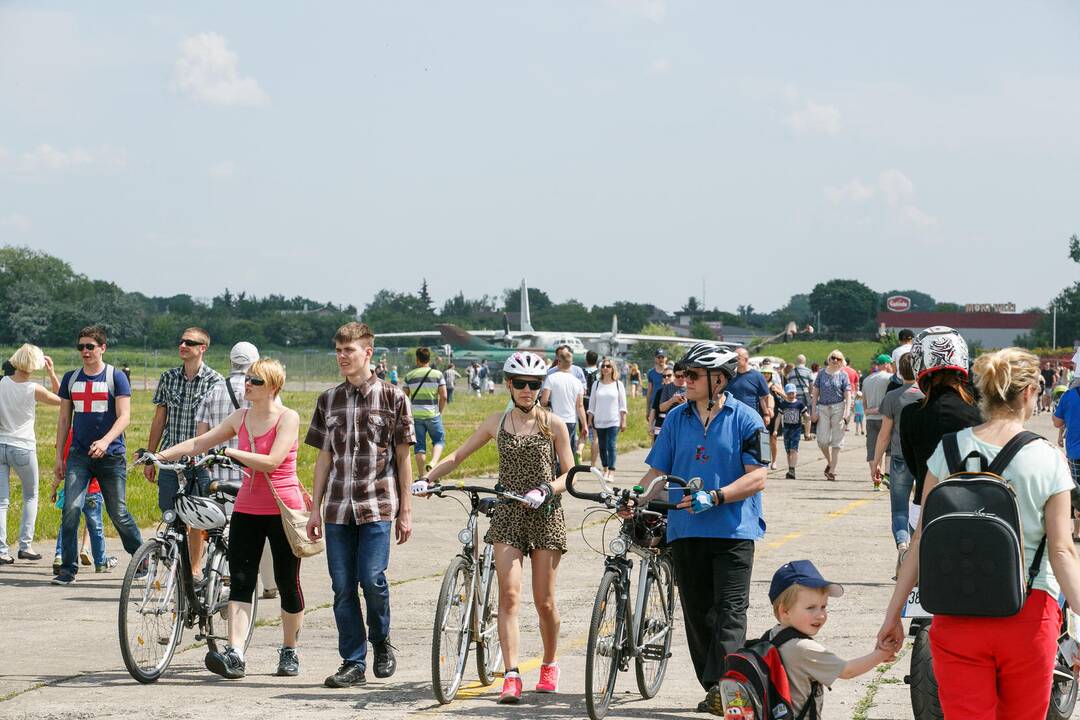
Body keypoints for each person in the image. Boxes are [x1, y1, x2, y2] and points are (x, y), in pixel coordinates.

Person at [878, 347, 1080, 719]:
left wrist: (892, 615)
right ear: (1028, 393)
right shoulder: (1048, 457)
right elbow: (1063, 551)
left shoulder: (948, 450)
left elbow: (921, 540)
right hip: (1029, 612)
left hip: (957, 612)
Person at [413, 352, 575, 703]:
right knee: (509, 595)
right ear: (508, 385)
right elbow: (458, 456)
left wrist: (547, 488)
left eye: (534, 385)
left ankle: (549, 663)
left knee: (544, 601)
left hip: (545, 515)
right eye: (520, 384)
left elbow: (570, 474)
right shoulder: (496, 422)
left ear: (541, 387)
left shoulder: (554, 424)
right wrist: (427, 478)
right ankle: (512, 674)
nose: (527, 390)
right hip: (507, 515)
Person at [147, 358, 308, 680]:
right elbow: (199, 442)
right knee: (242, 580)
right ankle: (235, 653)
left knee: (288, 583)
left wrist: (233, 453)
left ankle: (289, 649)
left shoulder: (288, 418)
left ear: (273, 386)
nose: (247, 384)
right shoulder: (241, 417)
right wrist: (159, 455)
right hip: (248, 506)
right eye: (247, 378)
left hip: (281, 508)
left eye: (256, 381)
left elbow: (272, 462)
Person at [633, 342, 767, 712]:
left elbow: (758, 478)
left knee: (729, 611)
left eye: (692, 375)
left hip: (733, 532)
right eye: (682, 374)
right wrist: (635, 497)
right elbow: (657, 472)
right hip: (686, 530)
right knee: (697, 614)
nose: (684, 381)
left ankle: (729, 689)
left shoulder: (747, 420)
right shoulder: (677, 419)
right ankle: (716, 686)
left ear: (719, 380)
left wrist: (718, 496)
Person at [304, 322, 415, 689]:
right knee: (341, 586)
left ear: (368, 352)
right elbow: (323, 458)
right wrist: (313, 508)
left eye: (348, 351)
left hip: (378, 505)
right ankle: (353, 661)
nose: (341, 357)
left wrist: (406, 510)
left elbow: (403, 458)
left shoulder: (394, 398)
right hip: (337, 507)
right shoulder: (328, 399)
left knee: (372, 578)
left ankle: (380, 641)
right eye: (338, 350)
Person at [53, 325, 144, 586]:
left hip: (111, 456)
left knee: (119, 513)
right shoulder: (71, 378)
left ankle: (141, 558)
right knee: (70, 509)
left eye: (90, 346)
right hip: (79, 456)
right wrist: (59, 456)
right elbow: (62, 420)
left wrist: (105, 441)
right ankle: (68, 569)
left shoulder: (116, 377)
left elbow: (125, 416)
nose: (84, 351)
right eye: (80, 346)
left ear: (102, 348)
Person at [750, 560, 894, 718]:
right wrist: (882, 653)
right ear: (784, 611)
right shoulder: (802, 647)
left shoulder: (772, 636)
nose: (820, 615)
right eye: (810, 608)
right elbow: (848, 670)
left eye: (823, 607)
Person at [195, 341, 277, 600]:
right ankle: (270, 584)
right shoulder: (262, 390)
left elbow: (201, 433)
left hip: (218, 474)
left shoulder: (213, 390)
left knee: (219, 531)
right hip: (251, 474)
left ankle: (216, 577)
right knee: (259, 535)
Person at [144, 327, 223, 579]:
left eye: (190, 342)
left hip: (199, 462)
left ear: (203, 348)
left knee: (197, 518)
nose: (183, 345)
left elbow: (219, 424)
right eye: (181, 341)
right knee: (171, 513)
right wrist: (151, 455)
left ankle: (195, 569)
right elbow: (159, 419)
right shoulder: (169, 377)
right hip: (171, 460)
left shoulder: (215, 381)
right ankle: (176, 560)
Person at [898, 326, 983, 524]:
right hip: (971, 506)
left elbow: (912, 466)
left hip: (925, 506)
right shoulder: (978, 412)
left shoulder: (910, 414)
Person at [0, 344, 61, 564]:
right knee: (30, 496)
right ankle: (25, 545)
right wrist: (52, 373)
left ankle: (1, 549)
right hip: (23, 446)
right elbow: (62, 398)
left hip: (1, 444)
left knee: (2, 501)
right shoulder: (33, 388)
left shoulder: (2, 383)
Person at [871, 353, 923, 575]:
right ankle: (916, 552)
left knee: (899, 508)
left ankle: (902, 546)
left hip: (900, 458)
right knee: (920, 507)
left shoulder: (892, 397)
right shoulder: (926, 394)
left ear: (899, 371)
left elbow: (884, 435)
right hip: (923, 460)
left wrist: (876, 463)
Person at [540, 345, 588, 465]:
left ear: (559, 362)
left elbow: (544, 401)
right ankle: (568, 475)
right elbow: (580, 406)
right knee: (568, 450)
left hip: (554, 419)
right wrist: (585, 425)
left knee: (553, 449)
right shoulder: (577, 382)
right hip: (571, 420)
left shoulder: (551, 378)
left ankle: (554, 473)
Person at [404, 347, 447, 478]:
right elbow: (444, 396)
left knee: (419, 446)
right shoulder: (438, 375)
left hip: (415, 416)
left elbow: (404, 397)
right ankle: (433, 463)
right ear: (429, 359)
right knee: (439, 440)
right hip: (433, 414)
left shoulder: (409, 376)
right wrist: (440, 411)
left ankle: (422, 475)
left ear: (417, 359)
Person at [810, 350, 851, 481]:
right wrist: (813, 411)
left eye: (838, 359)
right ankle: (830, 461)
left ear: (841, 361)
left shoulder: (843, 375)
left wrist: (847, 412)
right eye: (833, 358)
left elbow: (848, 394)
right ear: (829, 358)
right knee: (822, 441)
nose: (835, 360)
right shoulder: (821, 373)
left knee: (837, 441)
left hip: (838, 407)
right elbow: (815, 393)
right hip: (823, 408)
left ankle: (832, 470)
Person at [587, 358, 627, 480]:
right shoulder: (596, 384)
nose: (605, 368)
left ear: (612, 369)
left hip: (613, 420)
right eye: (603, 366)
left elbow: (622, 405)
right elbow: (592, 403)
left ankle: (612, 471)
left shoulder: (618, 384)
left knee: (611, 445)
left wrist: (623, 420)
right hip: (599, 420)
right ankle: (605, 469)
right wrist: (590, 419)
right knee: (602, 446)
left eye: (608, 366)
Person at [861, 355, 893, 490]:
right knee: (889, 449)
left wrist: (869, 411)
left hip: (871, 420)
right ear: (885, 364)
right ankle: (887, 476)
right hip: (886, 418)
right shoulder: (889, 378)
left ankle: (876, 481)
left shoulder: (867, 380)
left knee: (873, 451)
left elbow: (864, 403)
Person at [726, 348, 773, 426]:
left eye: (737, 358)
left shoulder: (757, 376)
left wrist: (766, 414)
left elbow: (766, 397)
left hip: (751, 418)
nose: (735, 361)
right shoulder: (729, 376)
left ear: (746, 359)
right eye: (733, 359)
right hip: (731, 418)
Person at [776, 383, 808, 480]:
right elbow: (778, 417)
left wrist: (807, 431)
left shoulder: (799, 404)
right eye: (789, 393)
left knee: (794, 449)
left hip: (796, 429)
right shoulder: (783, 404)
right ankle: (790, 468)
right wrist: (775, 430)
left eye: (792, 393)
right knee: (788, 450)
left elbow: (806, 417)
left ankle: (792, 469)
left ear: (796, 393)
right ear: (786, 393)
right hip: (786, 429)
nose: (791, 395)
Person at [760, 361, 785, 470]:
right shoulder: (759, 386)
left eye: (768, 373)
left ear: (771, 375)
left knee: (773, 439)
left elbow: (787, 398)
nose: (766, 375)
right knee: (763, 439)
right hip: (762, 414)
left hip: (774, 416)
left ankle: (774, 461)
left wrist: (779, 391)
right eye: (764, 373)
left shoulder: (775, 385)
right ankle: (765, 461)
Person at [787, 354, 814, 440]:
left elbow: (789, 385)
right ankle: (807, 434)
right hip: (805, 395)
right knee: (807, 415)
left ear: (796, 362)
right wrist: (810, 394)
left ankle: (794, 434)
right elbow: (811, 384)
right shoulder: (808, 371)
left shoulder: (791, 372)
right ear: (804, 362)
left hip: (794, 397)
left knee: (794, 416)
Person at [581, 351, 601, 466]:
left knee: (583, 430)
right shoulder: (598, 373)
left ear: (586, 360)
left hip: (583, 400)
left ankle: (579, 450)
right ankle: (593, 464)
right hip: (594, 402)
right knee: (595, 435)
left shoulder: (582, 372)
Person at [645, 349, 669, 419]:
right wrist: (647, 410)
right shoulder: (651, 373)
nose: (661, 359)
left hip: (668, 403)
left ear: (666, 358)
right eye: (658, 357)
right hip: (655, 405)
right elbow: (649, 392)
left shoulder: (670, 371)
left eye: (662, 357)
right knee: (654, 428)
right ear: (655, 359)